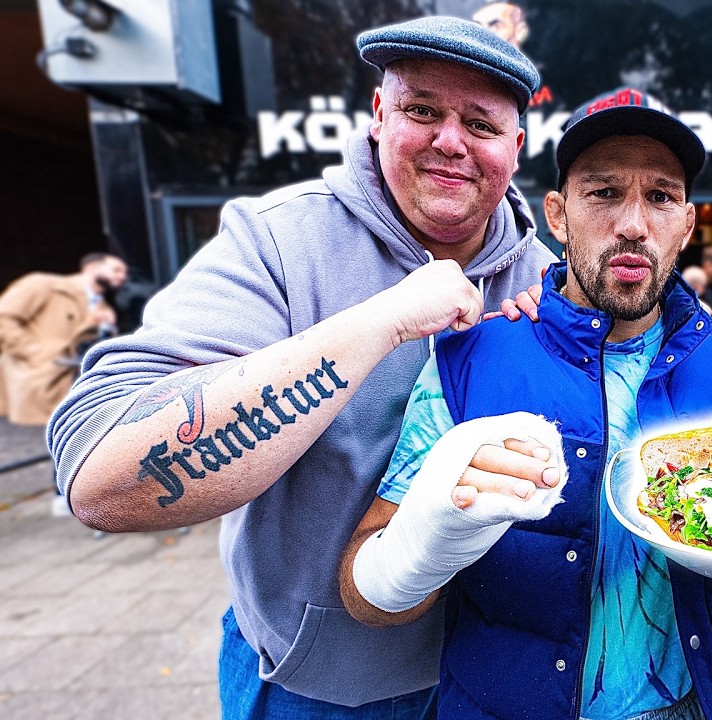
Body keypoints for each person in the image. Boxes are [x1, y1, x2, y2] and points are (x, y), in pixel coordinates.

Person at [47, 16, 555, 718]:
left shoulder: (546, 278)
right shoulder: (279, 239)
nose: (450, 140)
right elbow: (99, 480)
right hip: (319, 688)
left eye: (481, 122)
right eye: (421, 110)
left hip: (494, 678)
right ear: (379, 115)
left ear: (516, 146)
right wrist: (383, 320)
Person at [337, 87, 712, 719]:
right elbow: (362, 594)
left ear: (687, 223)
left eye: (660, 196)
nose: (632, 224)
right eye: (604, 192)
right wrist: (429, 537)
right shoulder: (472, 359)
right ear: (559, 217)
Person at [0, 252, 126, 426]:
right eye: (116, 270)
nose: (122, 276)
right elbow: (4, 317)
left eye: (124, 272)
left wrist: (106, 328)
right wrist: (34, 352)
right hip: (35, 387)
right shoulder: (42, 285)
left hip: (71, 391)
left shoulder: (102, 307)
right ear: (91, 268)